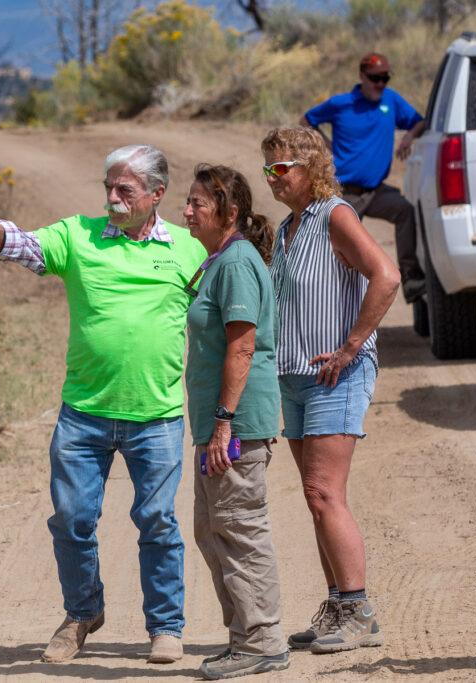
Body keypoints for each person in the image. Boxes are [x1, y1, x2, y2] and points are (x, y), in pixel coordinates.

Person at [0, 144, 207, 665]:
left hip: (157, 416)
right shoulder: (78, 235)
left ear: (157, 195)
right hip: (84, 411)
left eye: (126, 191)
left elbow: (226, 317)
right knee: (72, 520)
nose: (113, 199)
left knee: (158, 521)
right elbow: (28, 245)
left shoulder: (189, 250)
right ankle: (81, 614)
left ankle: (165, 627)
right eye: (109, 189)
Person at [262, 127, 400, 654]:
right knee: (314, 497)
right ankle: (338, 605)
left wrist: (351, 346)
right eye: (267, 169)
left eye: (281, 168)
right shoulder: (290, 226)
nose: (273, 178)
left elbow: (384, 276)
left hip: (336, 374)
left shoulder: (334, 215)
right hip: (296, 375)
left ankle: (359, 612)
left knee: (325, 494)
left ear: (310, 166)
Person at [182, 164, 290, 678]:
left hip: (236, 425)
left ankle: (263, 640)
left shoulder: (237, 263)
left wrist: (224, 421)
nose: (187, 211)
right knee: (212, 529)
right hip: (216, 425)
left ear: (228, 212)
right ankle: (243, 635)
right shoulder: (219, 260)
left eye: (197, 203)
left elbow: (243, 346)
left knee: (240, 528)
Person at [300, 52, 426, 301]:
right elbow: (306, 121)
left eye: (385, 78)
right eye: (374, 78)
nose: (380, 84)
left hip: (376, 191)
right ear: (361, 76)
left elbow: (419, 121)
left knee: (405, 211)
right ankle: (323, 295)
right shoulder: (341, 104)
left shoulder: (391, 101)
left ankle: (410, 279)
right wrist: (326, 144)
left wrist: (409, 137)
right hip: (345, 193)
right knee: (335, 247)